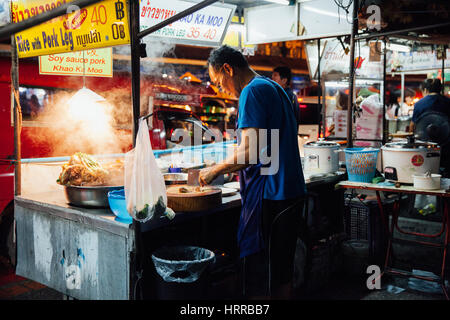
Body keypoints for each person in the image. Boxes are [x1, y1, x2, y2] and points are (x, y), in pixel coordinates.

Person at [199, 45, 306, 299]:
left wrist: (213, 170)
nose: (220, 88)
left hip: (272, 195)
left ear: (228, 69)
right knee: (281, 272)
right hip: (288, 191)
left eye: (218, 81)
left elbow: (250, 152)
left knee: (261, 275)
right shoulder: (272, 87)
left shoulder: (252, 92)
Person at [409, 78, 450, 176]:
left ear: (425, 90)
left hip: (426, 146)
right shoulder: (448, 102)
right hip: (447, 145)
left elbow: (412, 126)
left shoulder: (419, 104)